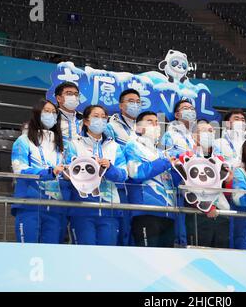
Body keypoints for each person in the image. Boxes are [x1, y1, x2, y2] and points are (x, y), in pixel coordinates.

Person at [63, 105, 128, 246]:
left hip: (110, 208)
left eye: (104, 117)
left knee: (108, 254)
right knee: (84, 253)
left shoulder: (114, 146)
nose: (101, 120)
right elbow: (66, 173)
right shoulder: (74, 144)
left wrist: (109, 168)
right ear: (86, 121)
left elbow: (123, 175)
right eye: (96, 116)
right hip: (82, 208)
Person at [124, 111, 182, 247]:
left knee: (166, 263)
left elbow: (171, 182)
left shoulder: (162, 153)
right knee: (146, 259)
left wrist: (179, 170)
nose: (155, 125)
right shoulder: (132, 146)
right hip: (145, 211)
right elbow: (136, 173)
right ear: (138, 127)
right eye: (150, 121)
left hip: (168, 213)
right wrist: (165, 163)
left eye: (157, 122)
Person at [11, 99, 65, 243]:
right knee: (27, 252)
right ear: (37, 114)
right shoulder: (23, 141)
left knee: (51, 254)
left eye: (54, 112)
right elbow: (19, 170)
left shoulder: (60, 144)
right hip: (29, 204)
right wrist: (49, 172)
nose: (51, 115)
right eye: (47, 111)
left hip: (55, 206)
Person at [182, 119, 233, 248]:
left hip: (221, 213)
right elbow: (186, 188)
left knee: (221, 256)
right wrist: (206, 207)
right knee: (200, 254)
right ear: (194, 136)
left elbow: (226, 193)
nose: (208, 134)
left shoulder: (220, 159)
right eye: (204, 131)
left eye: (211, 131)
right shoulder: (186, 157)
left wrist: (229, 181)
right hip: (198, 213)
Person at [104, 89, 142, 246]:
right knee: (122, 228)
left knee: (137, 228)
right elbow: (110, 150)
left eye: (138, 102)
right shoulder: (111, 126)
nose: (135, 104)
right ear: (121, 105)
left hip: (140, 183)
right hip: (120, 184)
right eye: (130, 101)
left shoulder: (143, 127)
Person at [54, 81, 82, 243]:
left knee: (79, 224)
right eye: (69, 94)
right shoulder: (51, 118)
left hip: (83, 177)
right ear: (59, 98)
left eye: (76, 94)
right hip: (60, 177)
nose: (74, 97)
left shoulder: (85, 119)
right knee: (58, 224)